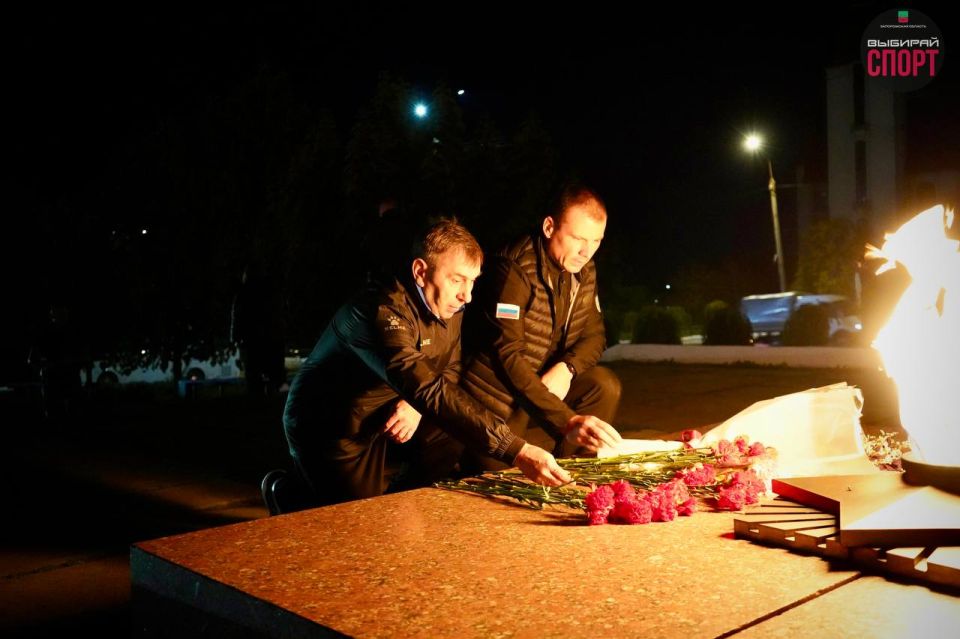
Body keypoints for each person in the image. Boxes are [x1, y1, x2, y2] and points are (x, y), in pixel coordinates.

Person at [276, 218, 573, 509]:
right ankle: (287, 495)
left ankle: (396, 509)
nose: (467, 296)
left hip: (378, 416)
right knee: (353, 519)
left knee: (449, 435)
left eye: (472, 281)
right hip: (327, 425)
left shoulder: (449, 305)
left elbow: (450, 369)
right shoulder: (382, 312)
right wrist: (517, 449)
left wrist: (415, 405)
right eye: (457, 280)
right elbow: (426, 387)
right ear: (420, 271)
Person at [460, 182, 623, 471]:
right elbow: (507, 355)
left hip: (546, 384)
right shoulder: (512, 267)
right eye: (578, 238)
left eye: (596, 241)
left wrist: (567, 368)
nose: (586, 251)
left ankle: (572, 471)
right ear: (549, 227)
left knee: (603, 385)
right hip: (499, 395)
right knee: (499, 482)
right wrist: (566, 420)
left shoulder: (583, 270)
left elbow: (595, 336)